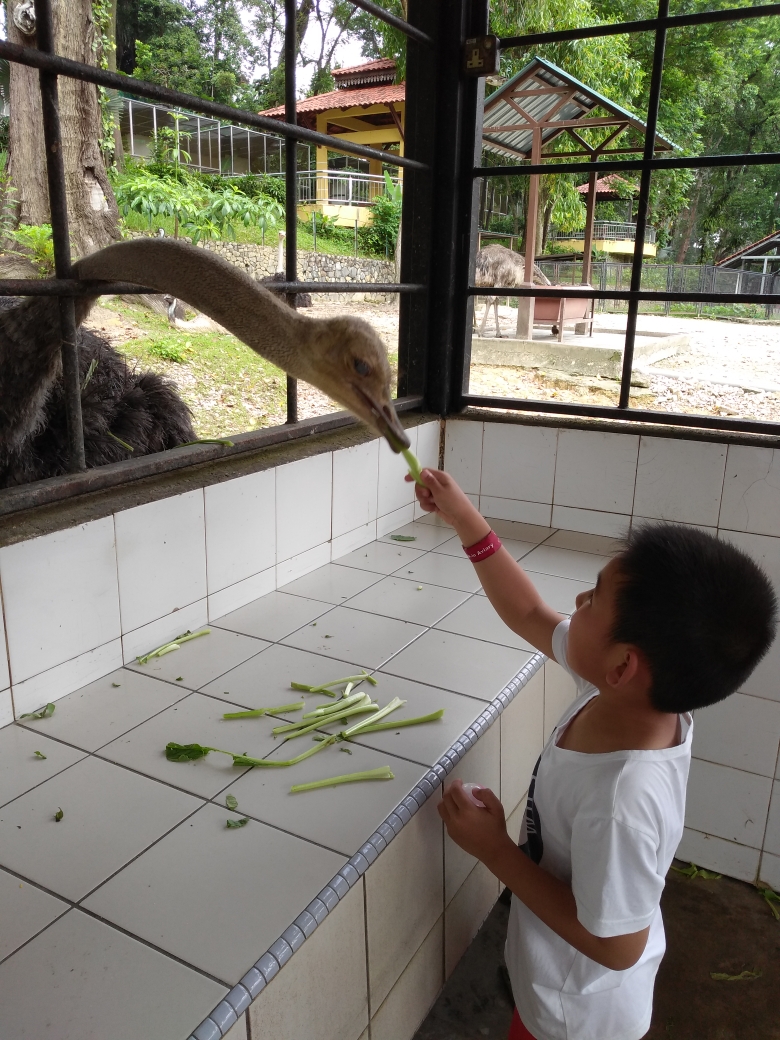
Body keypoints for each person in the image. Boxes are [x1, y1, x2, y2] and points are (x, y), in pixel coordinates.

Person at [408, 466, 777, 1040]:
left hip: (576, 1017)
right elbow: (529, 614)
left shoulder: (621, 796)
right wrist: (465, 520)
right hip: (552, 983)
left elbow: (617, 944)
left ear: (624, 664)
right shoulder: (630, 697)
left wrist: (496, 851)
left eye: (595, 597)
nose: (577, 599)